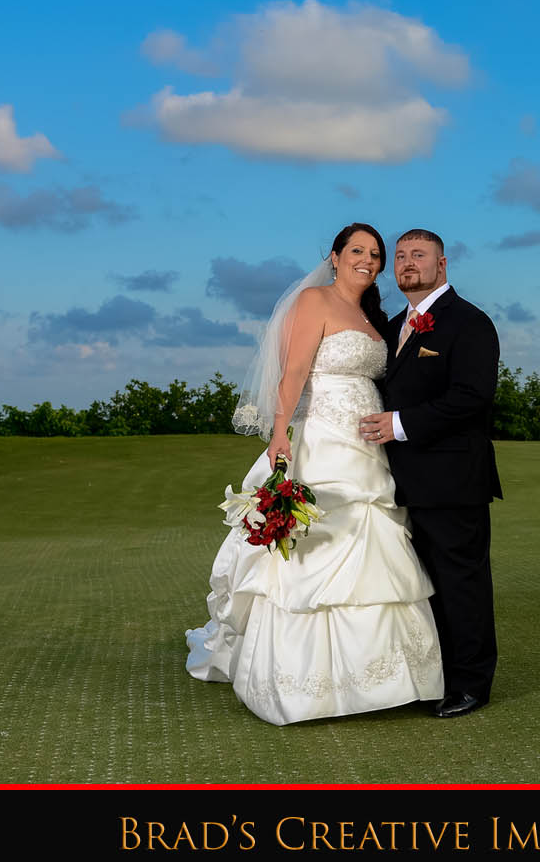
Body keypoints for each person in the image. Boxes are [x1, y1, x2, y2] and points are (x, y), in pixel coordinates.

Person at [185, 223, 444, 725]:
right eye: (357, 250)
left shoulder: (377, 319)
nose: (367, 260)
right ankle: (304, 686)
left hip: (368, 448)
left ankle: (383, 680)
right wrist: (279, 434)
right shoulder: (313, 301)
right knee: (313, 551)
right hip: (322, 440)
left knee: (375, 548)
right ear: (334, 257)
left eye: (375, 254)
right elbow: (294, 372)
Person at [358, 229, 502, 718]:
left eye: (418, 255)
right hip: (398, 481)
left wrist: (399, 424)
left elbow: (472, 396)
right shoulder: (393, 325)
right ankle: (434, 675)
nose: (407, 263)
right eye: (400, 256)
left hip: (452, 479)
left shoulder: (470, 322)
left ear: (442, 264)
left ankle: (471, 684)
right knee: (423, 586)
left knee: (461, 584)